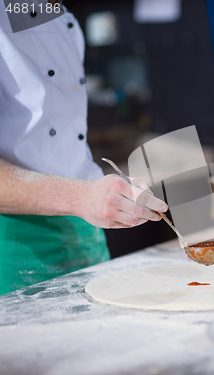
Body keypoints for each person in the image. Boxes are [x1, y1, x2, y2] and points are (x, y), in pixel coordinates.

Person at [0, 1, 168, 295]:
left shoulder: (60, 18)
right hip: (16, 250)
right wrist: (80, 197)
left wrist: (97, 197)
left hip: (86, 238)